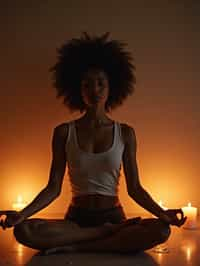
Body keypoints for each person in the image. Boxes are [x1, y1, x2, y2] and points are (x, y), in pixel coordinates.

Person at [0, 32, 187, 255]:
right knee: (24, 230)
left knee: (161, 231)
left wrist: (162, 214)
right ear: (79, 90)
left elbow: (135, 188)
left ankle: (77, 246)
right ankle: (106, 235)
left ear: (111, 88)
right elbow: (53, 188)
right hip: (77, 220)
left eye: (100, 83)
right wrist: (22, 215)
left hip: (113, 214)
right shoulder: (63, 132)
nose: (94, 90)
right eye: (87, 84)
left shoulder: (125, 133)